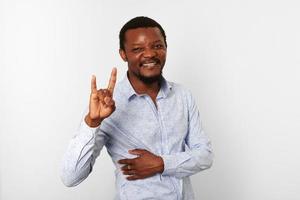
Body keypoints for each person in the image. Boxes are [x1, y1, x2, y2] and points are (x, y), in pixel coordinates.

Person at [61, 16, 213, 200]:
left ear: (165, 48)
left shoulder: (182, 96)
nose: (149, 54)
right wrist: (92, 122)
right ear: (123, 54)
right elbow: (70, 177)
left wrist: (161, 164)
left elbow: (205, 156)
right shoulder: (106, 104)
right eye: (138, 49)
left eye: (157, 46)